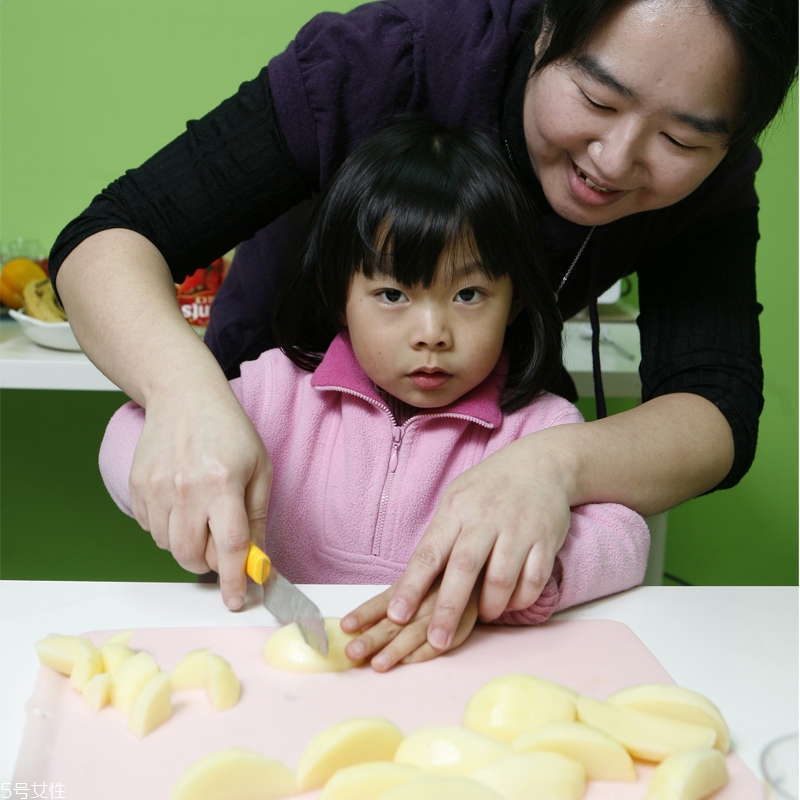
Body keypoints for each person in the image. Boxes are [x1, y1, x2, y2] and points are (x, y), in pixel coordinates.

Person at [50, 0, 797, 652]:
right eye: (598, 101)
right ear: (543, 29)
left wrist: (550, 470)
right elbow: (110, 237)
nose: (615, 159)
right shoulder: (384, 59)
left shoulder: (530, 425)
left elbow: (716, 404)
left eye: (682, 141)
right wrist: (185, 397)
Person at [98, 119, 649, 669]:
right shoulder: (273, 395)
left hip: (456, 682)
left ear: (516, 303)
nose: (432, 331)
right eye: (391, 293)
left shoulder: (539, 431)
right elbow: (128, 432)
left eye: (468, 293)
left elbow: (626, 539)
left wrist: (514, 575)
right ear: (339, 298)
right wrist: (185, 491)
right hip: (275, 672)